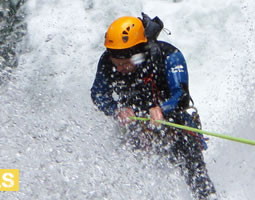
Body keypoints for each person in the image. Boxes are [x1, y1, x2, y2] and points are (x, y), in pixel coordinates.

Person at [90, 13, 216, 199]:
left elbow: (181, 95)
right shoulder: (108, 62)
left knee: (198, 181)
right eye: (116, 64)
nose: (120, 69)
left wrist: (162, 109)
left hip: (176, 127)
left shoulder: (169, 55)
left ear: (139, 52)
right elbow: (98, 94)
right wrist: (116, 110)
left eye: (125, 64)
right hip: (136, 131)